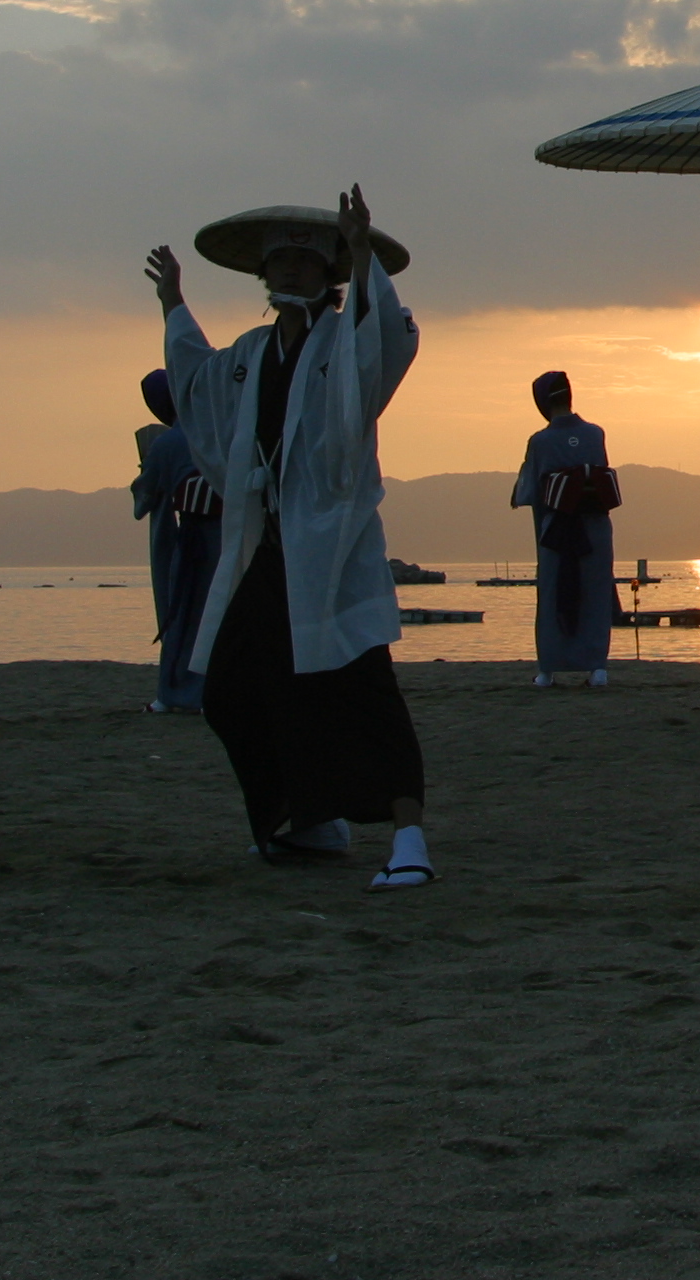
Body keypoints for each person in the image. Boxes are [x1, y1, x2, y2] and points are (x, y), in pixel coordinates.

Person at [149, 189, 437, 892]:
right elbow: (197, 387)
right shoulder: (250, 353)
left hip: (334, 543)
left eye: (306, 264)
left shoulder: (345, 339)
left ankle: (410, 840)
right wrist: (174, 306)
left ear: (329, 274)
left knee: (364, 686)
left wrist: (364, 250)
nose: (291, 274)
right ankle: (308, 819)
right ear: (264, 275)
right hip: (268, 544)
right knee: (233, 686)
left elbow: (390, 338)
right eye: (280, 263)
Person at [513, 370, 618, 687]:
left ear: (542, 402)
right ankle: (597, 667)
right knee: (595, 593)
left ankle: (547, 670)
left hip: (557, 528)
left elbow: (533, 492)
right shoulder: (595, 433)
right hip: (596, 527)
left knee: (553, 593)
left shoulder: (541, 441)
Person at [131, 368, 222, 714]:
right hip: (239, 533)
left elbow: (145, 497)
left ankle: (180, 693)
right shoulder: (222, 431)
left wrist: (146, 470)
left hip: (198, 538)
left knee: (185, 614)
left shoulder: (167, 444)